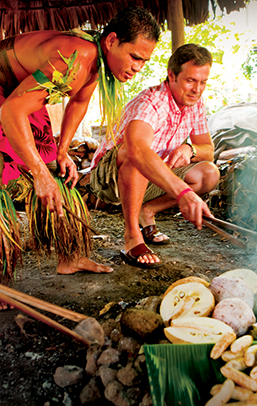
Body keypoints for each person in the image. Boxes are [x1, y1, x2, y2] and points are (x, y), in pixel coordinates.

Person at [0, 7, 161, 309]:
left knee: (58, 169)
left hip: (21, 88)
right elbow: (11, 111)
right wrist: (37, 173)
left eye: (145, 60)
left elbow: (78, 101)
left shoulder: (96, 62)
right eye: (135, 57)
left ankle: (70, 256)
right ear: (113, 41)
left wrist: (62, 150)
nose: (138, 67)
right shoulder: (77, 57)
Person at [88, 44, 220, 268]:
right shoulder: (150, 102)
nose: (197, 89)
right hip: (109, 180)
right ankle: (132, 236)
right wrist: (184, 193)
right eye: (190, 80)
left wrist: (190, 149)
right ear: (172, 75)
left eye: (203, 82)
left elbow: (208, 148)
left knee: (209, 173)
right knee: (136, 153)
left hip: (153, 176)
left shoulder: (195, 105)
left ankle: (146, 212)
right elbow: (137, 151)